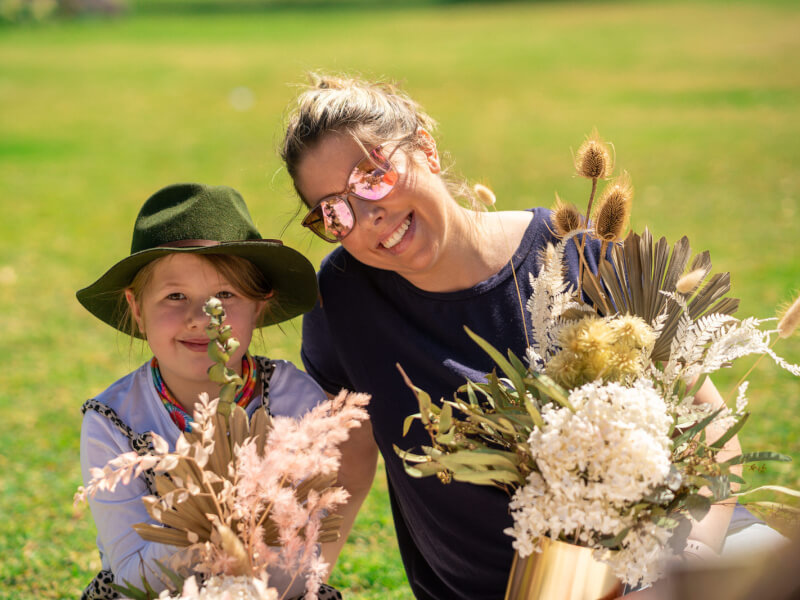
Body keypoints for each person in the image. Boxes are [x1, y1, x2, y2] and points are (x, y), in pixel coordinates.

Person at [280, 74, 776, 599]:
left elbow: (706, 429)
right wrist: (281, 584)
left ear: (423, 148)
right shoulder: (341, 300)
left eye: (372, 174)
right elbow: (343, 469)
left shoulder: (581, 251)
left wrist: (683, 571)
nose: (366, 213)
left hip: (667, 569)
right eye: (333, 210)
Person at [76, 183, 343, 600]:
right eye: (175, 295)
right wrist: (215, 515)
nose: (202, 318)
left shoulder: (296, 402)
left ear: (260, 304)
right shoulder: (112, 421)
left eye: (225, 295)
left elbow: (300, 565)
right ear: (136, 308)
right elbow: (132, 574)